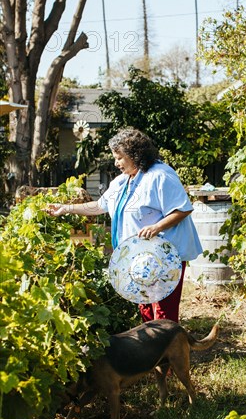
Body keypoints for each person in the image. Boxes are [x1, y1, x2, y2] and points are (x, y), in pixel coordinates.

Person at [46, 127, 202, 323]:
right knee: (145, 308)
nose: (116, 163)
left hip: (164, 256)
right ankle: (151, 351)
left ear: (134, 155)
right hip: (140, 259)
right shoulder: (122, 182)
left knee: (163, 313)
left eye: (119, 157)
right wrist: (66, 208)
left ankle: (170, 352)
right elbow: (99, 206)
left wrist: (156, 227)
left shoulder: (160, 175)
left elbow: (183, 209)